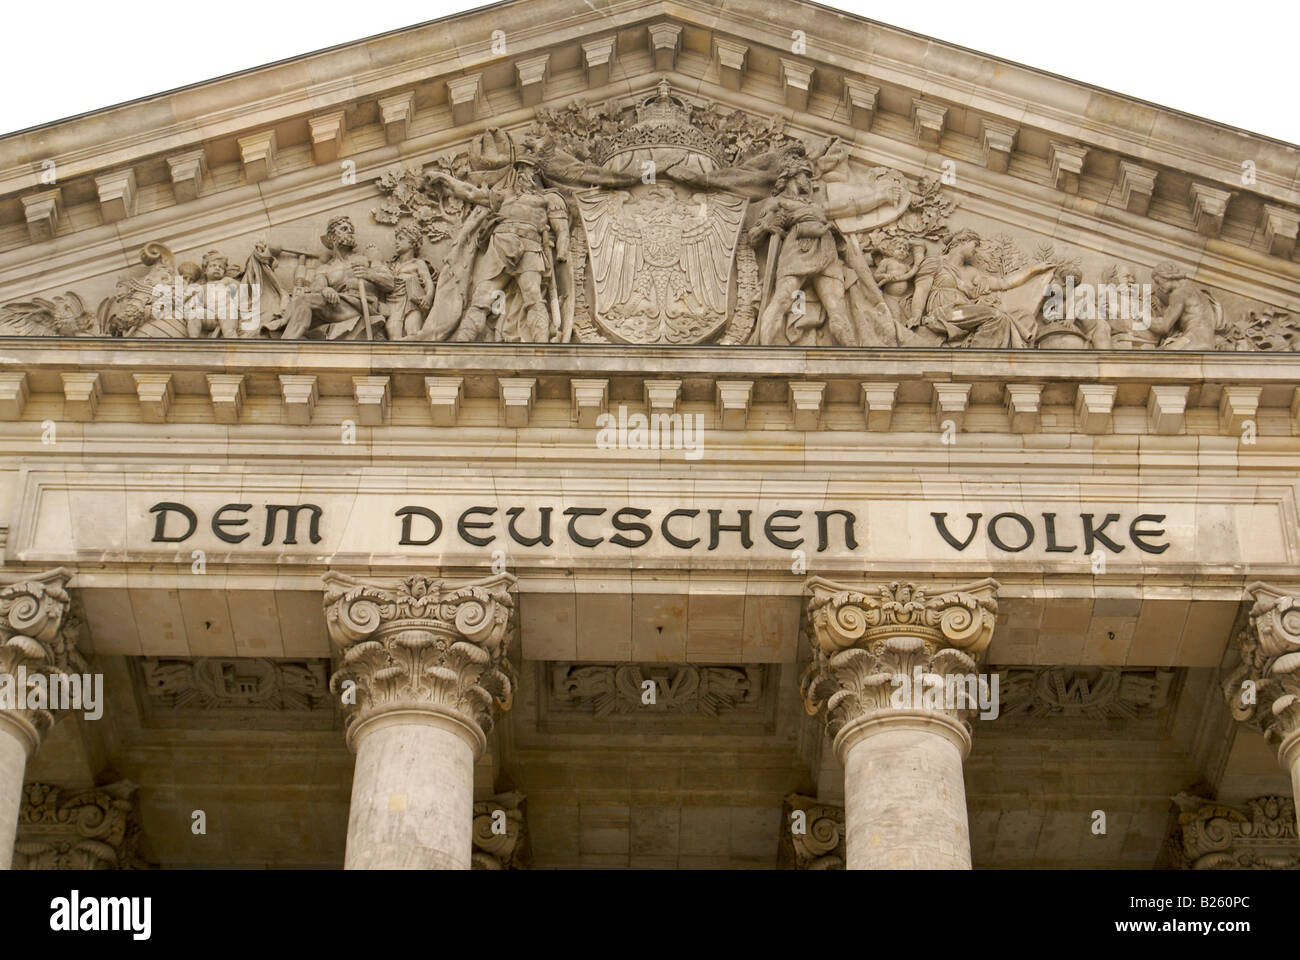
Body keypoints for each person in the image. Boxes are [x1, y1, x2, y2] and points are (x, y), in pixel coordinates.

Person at [425, 158, 569, 343]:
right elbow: (471, 193)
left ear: (537, 173)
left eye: (527, 169)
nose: (521, 173)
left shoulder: (550, 198)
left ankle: (541, 344)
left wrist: (562, 252)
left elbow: (562, 229)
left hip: (530, 248)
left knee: (533, 297)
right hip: (500, 247)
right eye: (520, 169)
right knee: (481, 298)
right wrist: (445, 178)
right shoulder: (505, 196)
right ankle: (462, 342)